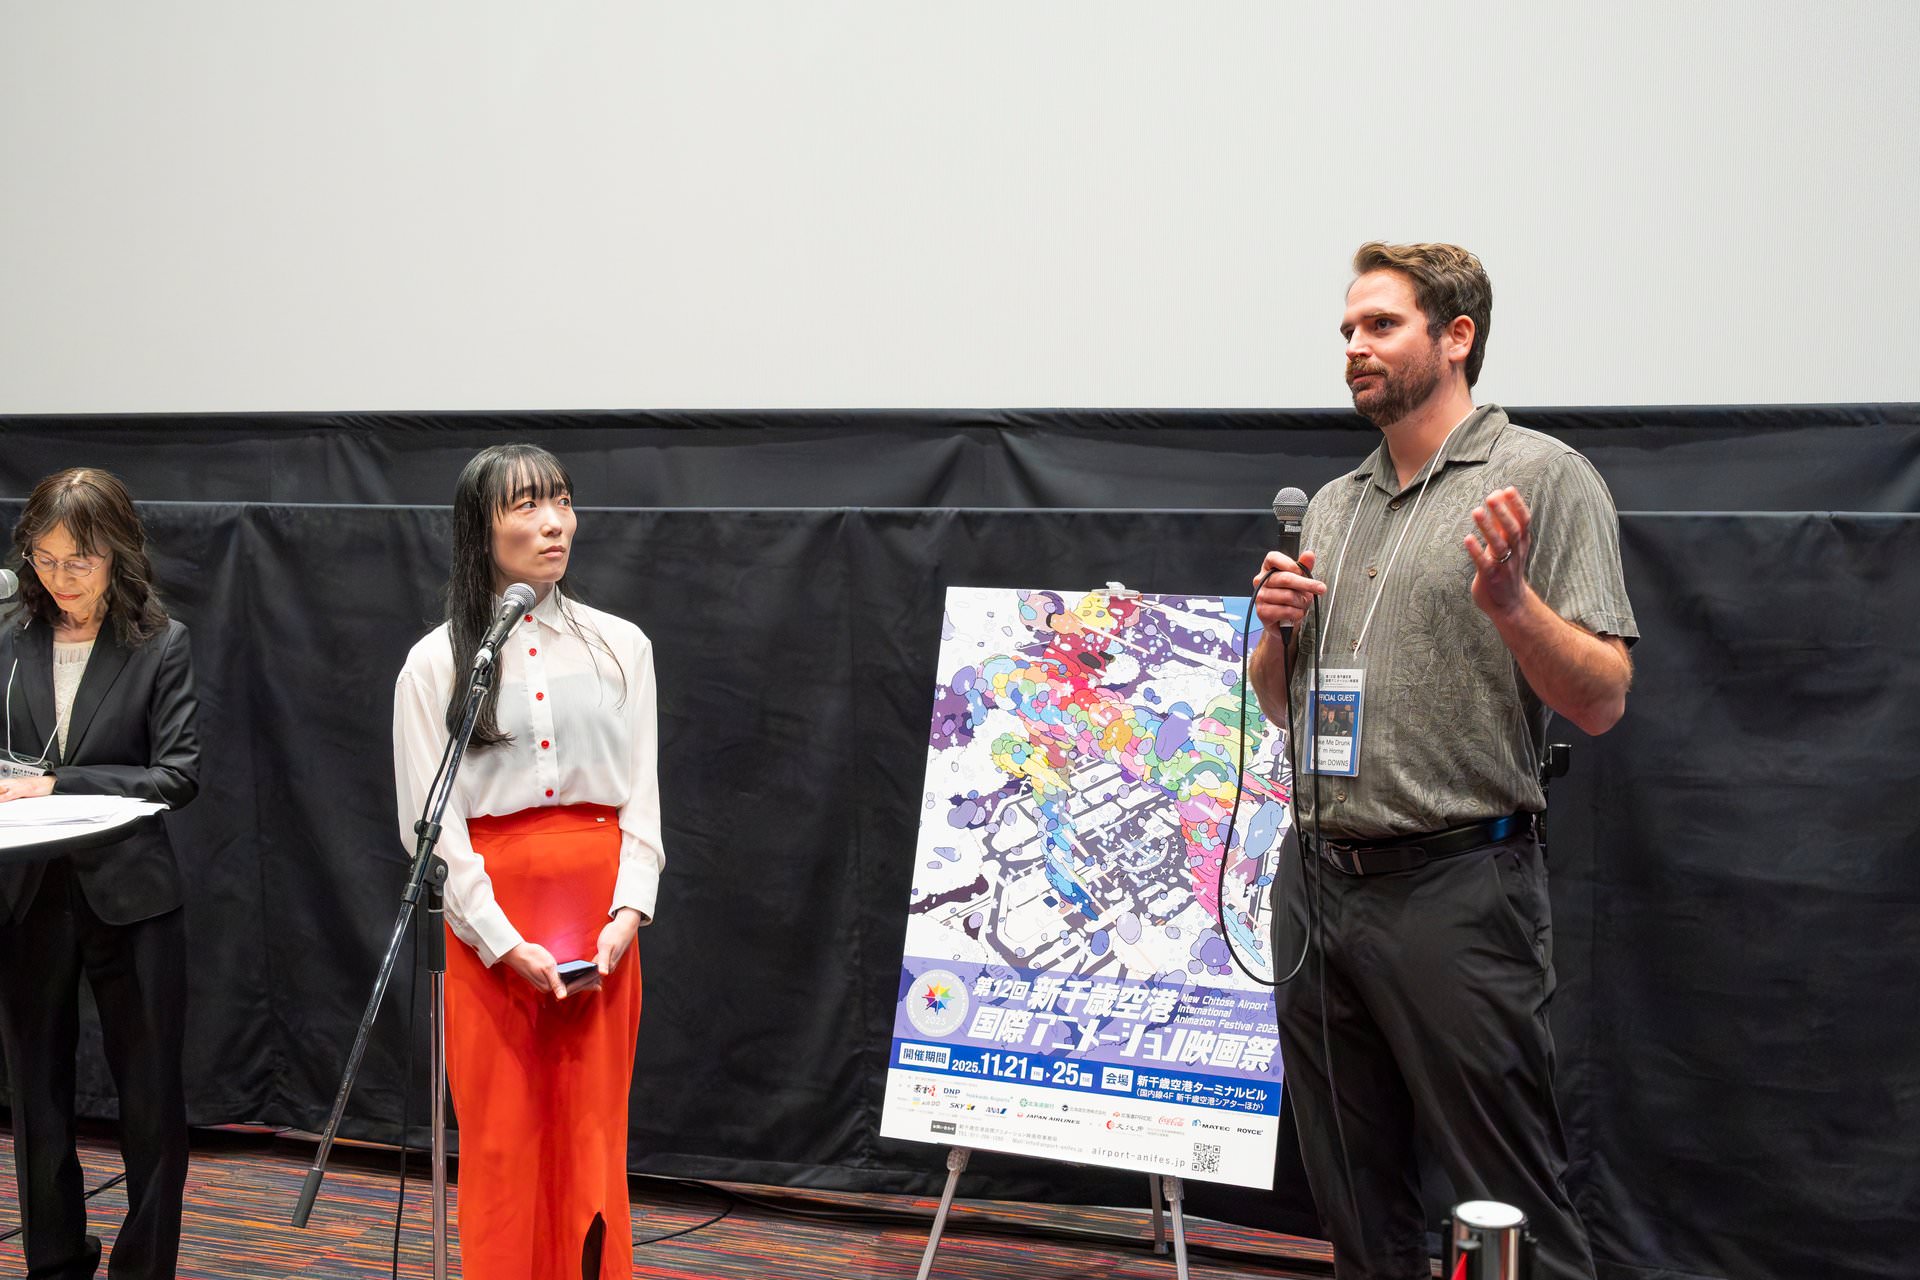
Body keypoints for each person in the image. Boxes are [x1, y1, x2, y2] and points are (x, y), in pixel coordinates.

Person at [1248, 242, 1637, 1280]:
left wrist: (1512, 606)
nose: (1354, 346)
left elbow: (1603, 698)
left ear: (1456, 337)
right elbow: (1282, 703)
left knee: (1505, 1193)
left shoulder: (1542, 477)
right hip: (1319, 882)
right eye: (1347, 329)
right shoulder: (1333, 503)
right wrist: (1273, 633)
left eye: (1381, 325)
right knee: (1353, 1193)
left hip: (1458, 886)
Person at [391, 443, 665, 1279]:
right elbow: (430, 825)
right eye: (527, 505)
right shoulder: (437, 662)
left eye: (562, 501)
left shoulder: (622, 644)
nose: (554, 523)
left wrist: (628, 910)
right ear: (480, 529)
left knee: (592, 1134)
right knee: (503, 1140)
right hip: (488, 926)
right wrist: (502, 940)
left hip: (602, 923)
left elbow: (643, 797)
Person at [0, 468, 202, 1280]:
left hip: (131, 896)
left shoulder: (161, 642)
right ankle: (53, 1262)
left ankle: (144, 1267)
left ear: (117, 553)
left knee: (149, 1099)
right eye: (44, 560)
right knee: (35, 1097)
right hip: (27, 893)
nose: (61, 579)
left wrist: (61, 783)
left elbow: (177, 777)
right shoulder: (8, 636)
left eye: (77, 561)